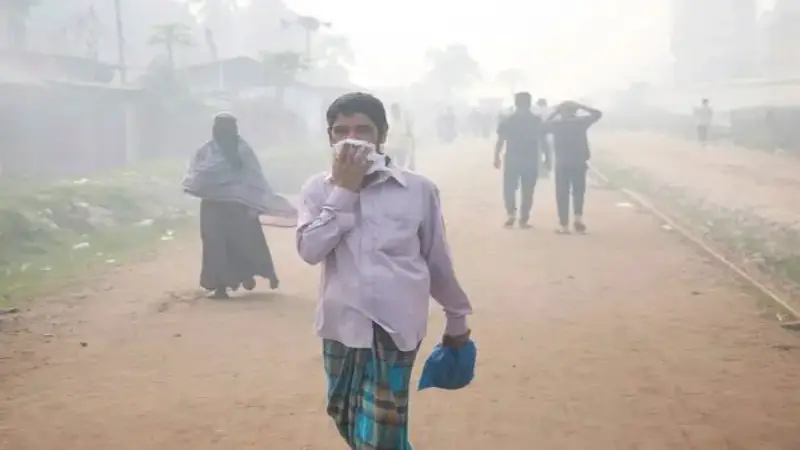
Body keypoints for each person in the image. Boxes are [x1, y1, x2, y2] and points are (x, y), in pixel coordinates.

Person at [296, 92, 473, 449]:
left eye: (363, 129)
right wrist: (344, 191)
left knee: (379, 435)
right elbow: (310, 250)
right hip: (340, 323)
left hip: (396, 326)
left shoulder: (417, 190)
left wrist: (458, 318)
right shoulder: (317, 190)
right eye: (341, 130)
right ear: (329, 137)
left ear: (382, 135)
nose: (353, 138)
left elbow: (436, 258)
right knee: (344, 414)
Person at [183, 113, 294, 298]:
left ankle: (244, 276)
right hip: (215, 206)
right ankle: (221, 286)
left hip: (239, 206)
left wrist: (256, 203)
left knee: (244, 243)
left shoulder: (243, 151)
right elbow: (196, 174)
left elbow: (254, 178)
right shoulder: (206, 150)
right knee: (216, 245)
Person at [543, 100, 602, 234]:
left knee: (562, 194)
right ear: (575, 111)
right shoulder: (580, 123)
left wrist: (555, 112)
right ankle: (578, 219)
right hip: (578, 162)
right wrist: (581, 106)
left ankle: (564, 225)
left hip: (562, 163)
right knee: (578, 192)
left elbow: (542, 126)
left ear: (561, 111)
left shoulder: (557, 124)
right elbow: (598, 114)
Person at [494, 92, 548, 228]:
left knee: (509, 188)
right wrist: (547, 157)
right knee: (528, 189)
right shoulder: (536, 120)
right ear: (529, 103)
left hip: (512, 158)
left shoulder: (508, 120)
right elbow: (543, 141)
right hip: (530, 159)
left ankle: (511, 214)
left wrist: (496, 157)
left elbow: (500, 141)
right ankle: (524, 218)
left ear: (516, 103)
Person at [387, 103, 416, 170]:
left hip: (402, 150)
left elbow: (411, 138)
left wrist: (412, 155)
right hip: (392, 150)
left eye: (396, 111)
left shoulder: (405, 123)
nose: (394, 113)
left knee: (401, 168)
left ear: (399, 111)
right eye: (393, 112)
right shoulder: (391, 124)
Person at [533, 98, 554, 179]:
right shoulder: (550, 111)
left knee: (538, 154)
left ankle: (541, 171)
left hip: (540, 135)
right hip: (550, 135)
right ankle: (548, 170)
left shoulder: (537, 112)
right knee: (549, 154)